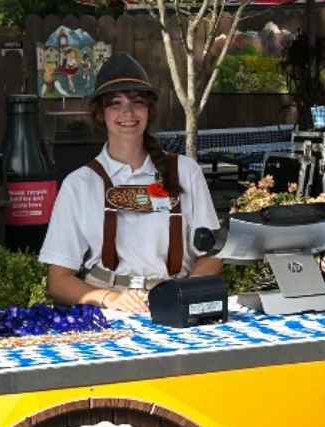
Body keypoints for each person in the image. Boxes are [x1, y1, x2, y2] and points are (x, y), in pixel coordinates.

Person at [40, 52, 223, 314]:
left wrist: (181, 294)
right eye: (115, 103)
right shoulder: (79, 185)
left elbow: (212, 255)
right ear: (100, 114)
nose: (127, 112)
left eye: (138, 102)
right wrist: (108, 298)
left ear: (149, 110)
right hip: (108, 312)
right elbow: (58, 281)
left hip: (175, 304)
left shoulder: (185, 171)